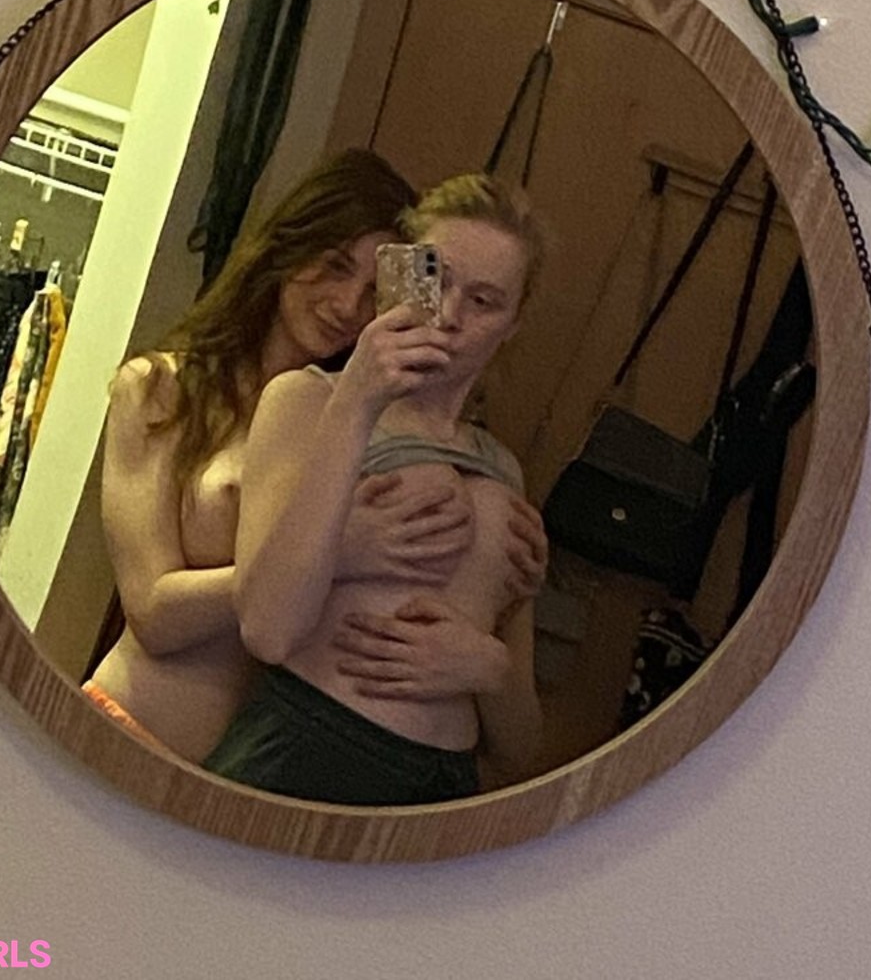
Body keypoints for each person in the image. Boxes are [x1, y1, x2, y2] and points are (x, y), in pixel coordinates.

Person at [85, 152, 546, 764]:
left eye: (372, 289)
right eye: (332, 266)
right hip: (136, 730)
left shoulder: (366, 430)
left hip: (266, 768)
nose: (347, 305)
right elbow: (151, 613)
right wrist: (336, 552)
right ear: (285, 249)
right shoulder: (163, 390)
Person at [203, 173, 546, 805]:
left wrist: (490, 668)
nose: (449, 316)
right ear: (398, 276)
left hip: (441, 790)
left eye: (483, 301)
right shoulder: (308, 402)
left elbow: (520, 751)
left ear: (512, 324)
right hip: (306, 753)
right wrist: (360, 396)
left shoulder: (504, 472)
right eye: (434, 278)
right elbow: (268, 628)